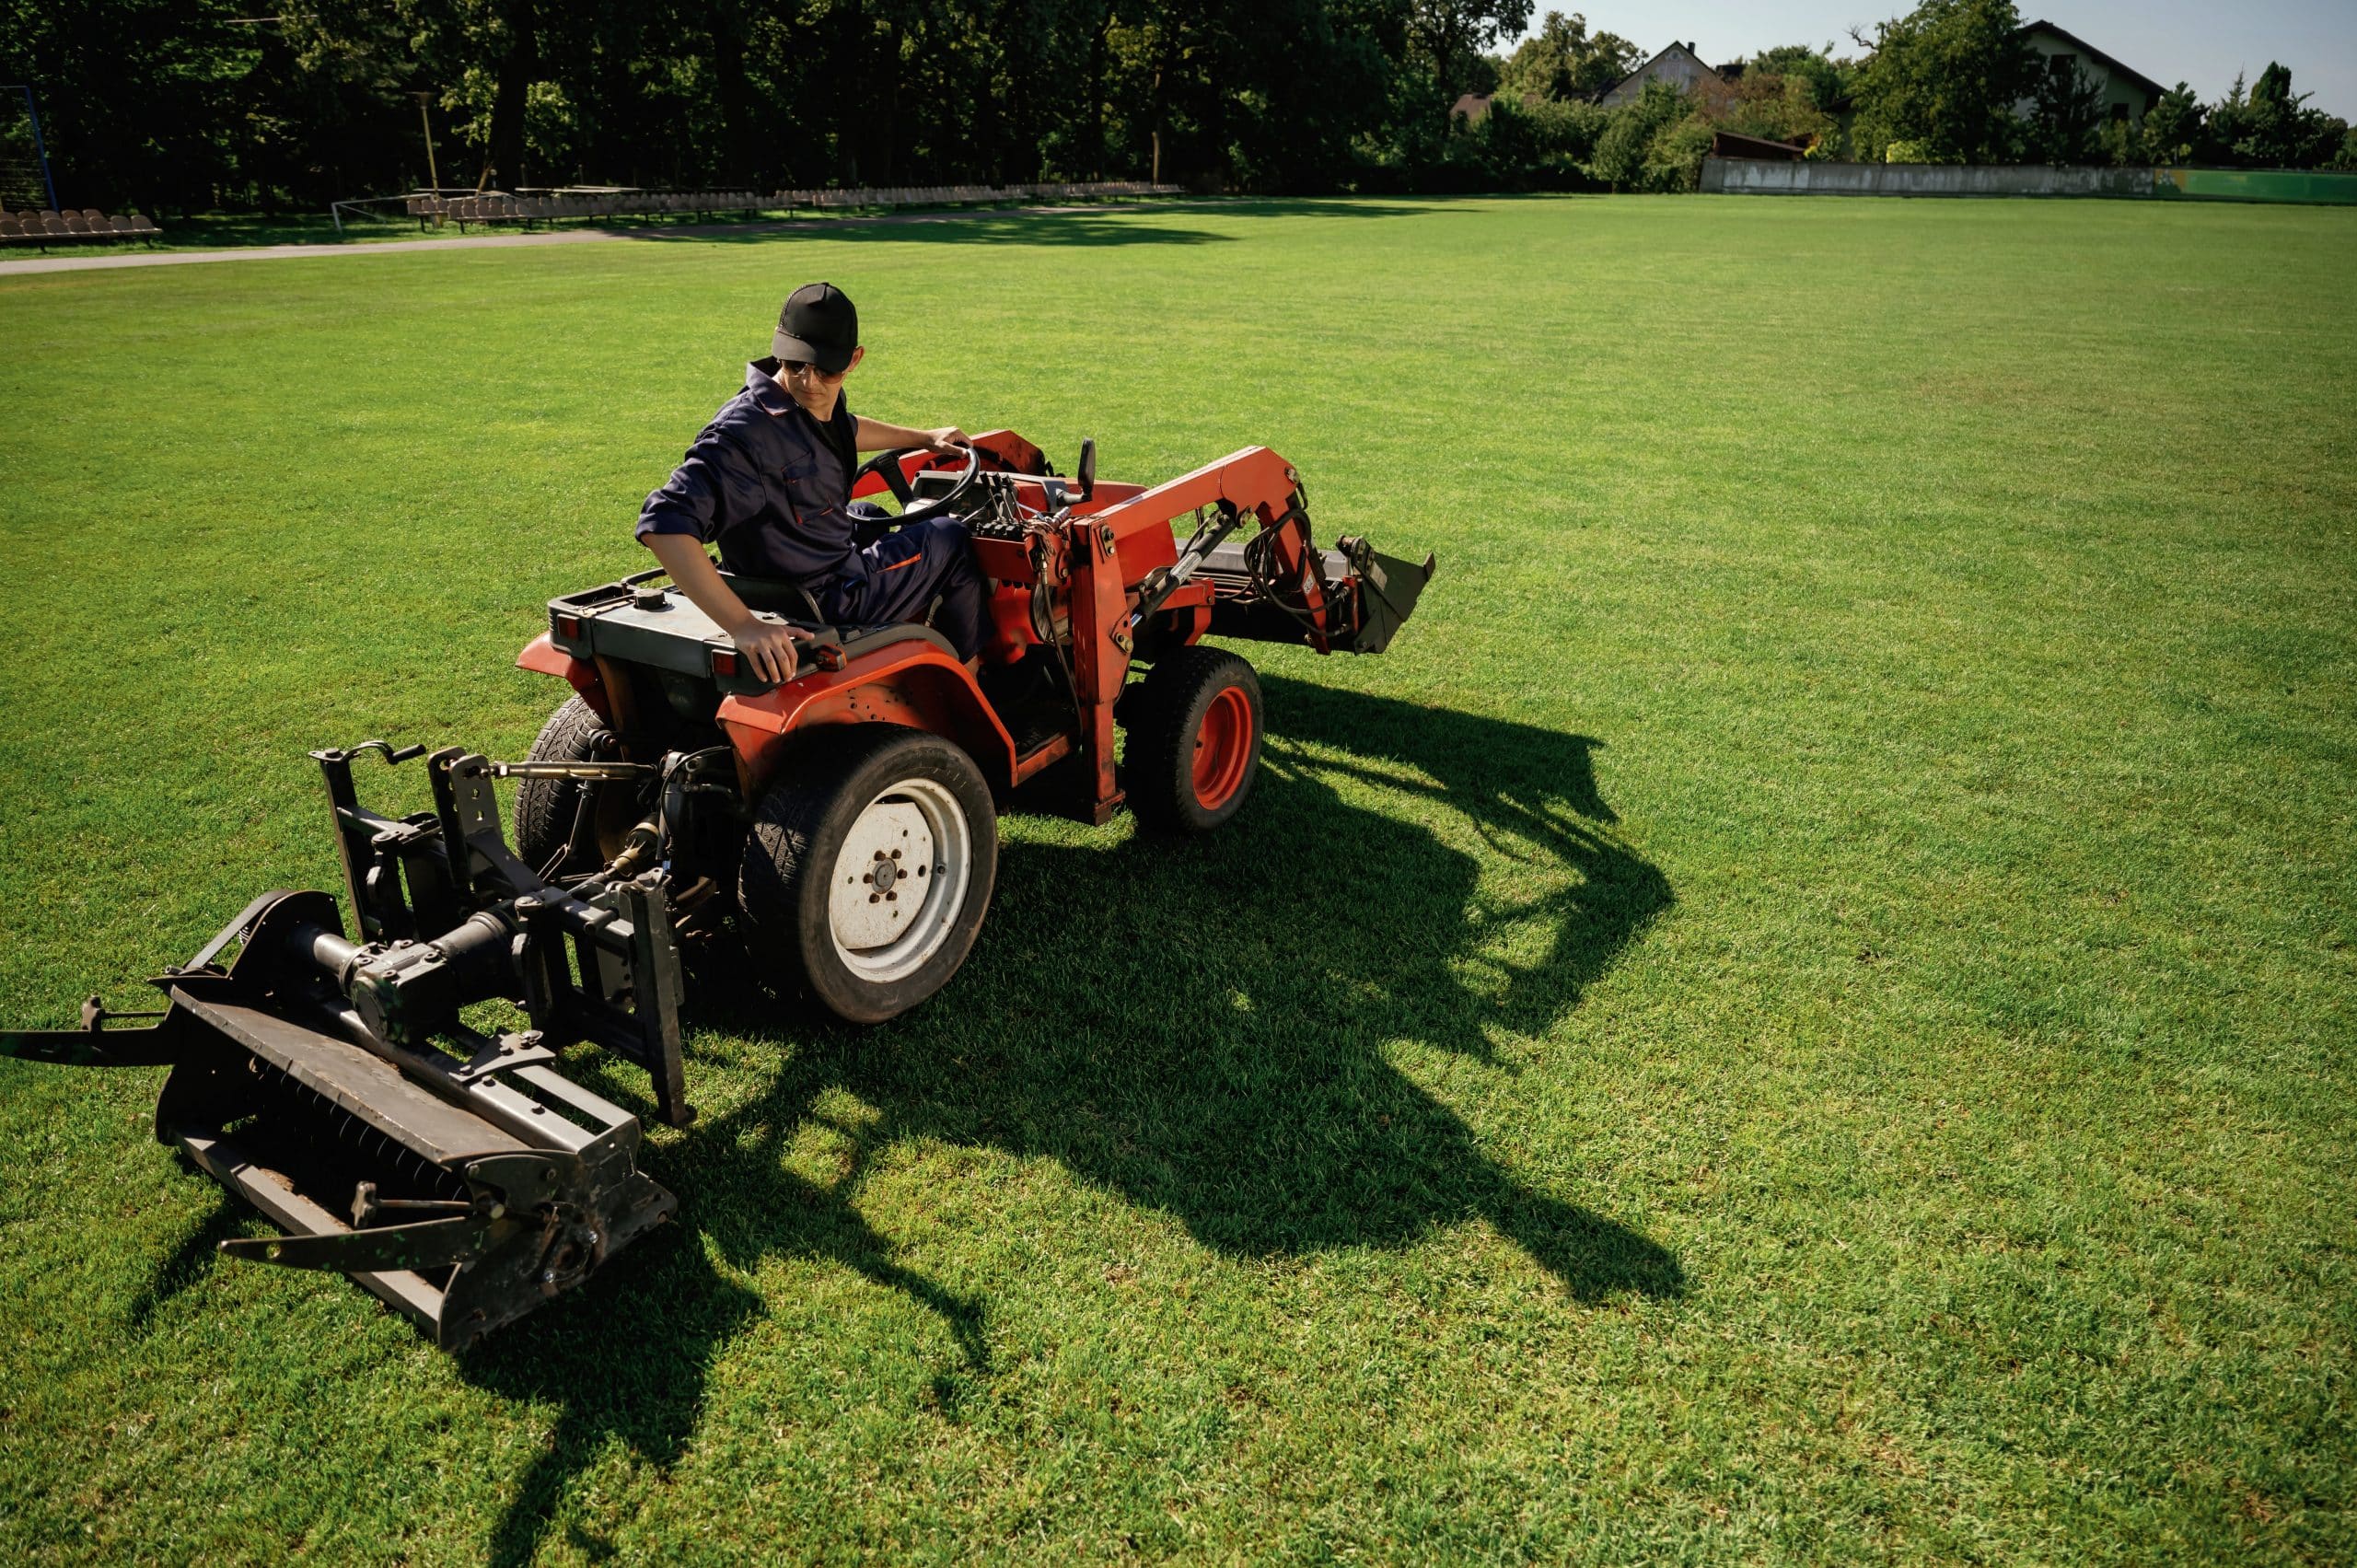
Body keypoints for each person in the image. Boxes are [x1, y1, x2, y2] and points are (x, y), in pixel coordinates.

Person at [634, 281, 986, 682]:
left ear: (854, 360)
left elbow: (842, 430)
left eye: (826, 369)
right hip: (827, 599)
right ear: (778, 349)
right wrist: (744, 625)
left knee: (866, 512)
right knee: (950, 537)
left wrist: (923, 437)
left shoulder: (795, 406)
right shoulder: (743, 436)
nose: (809, 381)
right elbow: (664, 522)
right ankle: (972, 676)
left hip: (790, 571)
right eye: (795, 364)